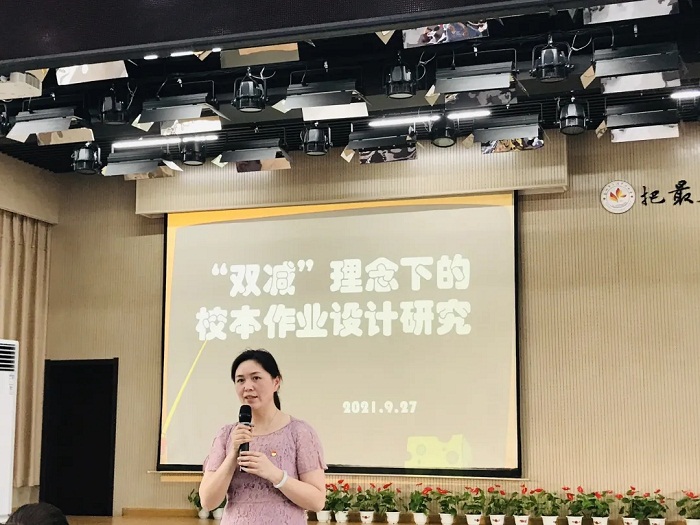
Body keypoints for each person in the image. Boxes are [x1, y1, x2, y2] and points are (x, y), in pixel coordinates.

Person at [199, 348, 326, 525]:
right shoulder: (226, 435)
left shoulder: (299, 432)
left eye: (256, 378)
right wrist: (233, 454)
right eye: (240, 380)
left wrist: (275, 475)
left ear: (276, 382)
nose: (247, 386)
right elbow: (208, 502)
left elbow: (317, 502)